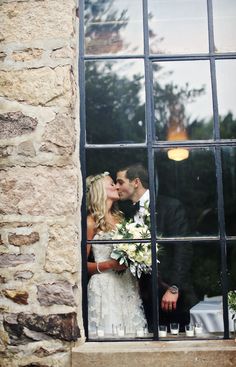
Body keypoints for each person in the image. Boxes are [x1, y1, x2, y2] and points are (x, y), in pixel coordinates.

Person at [116, 163, 197, 331]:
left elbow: (184, 249)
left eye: (120, 182)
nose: (117, 187)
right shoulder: (126, 214)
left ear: (135, 182)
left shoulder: (170, 206)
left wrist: (174, 288)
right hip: (142, 297)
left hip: (171, 296)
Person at [86, 171, 147, 337]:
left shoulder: (121, 219)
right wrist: (110, 265)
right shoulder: (90, 222)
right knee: (110, 332)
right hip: (105, 286)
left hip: (127, 283)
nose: (117, 186)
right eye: (112, 183)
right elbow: (80, 266)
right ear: (100, 189)